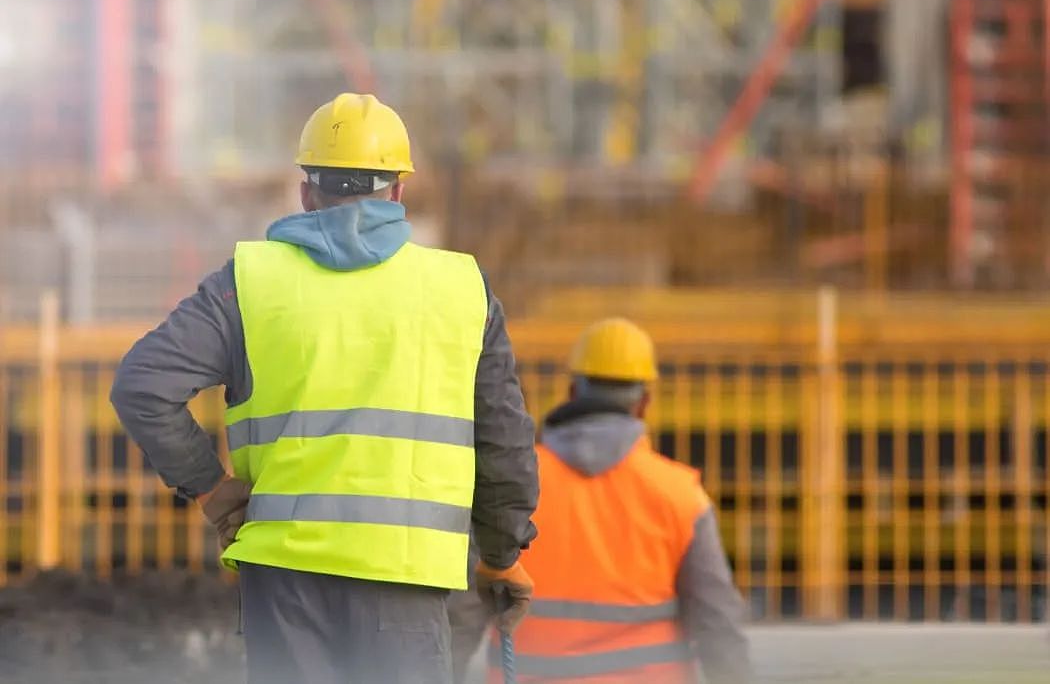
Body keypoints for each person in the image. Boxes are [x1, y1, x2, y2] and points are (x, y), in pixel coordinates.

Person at [110, 93, 538, 684]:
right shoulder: (460, 290)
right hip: (405, 583)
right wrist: (501, 557)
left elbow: (142, 385)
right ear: (398, 191)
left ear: (307, 191)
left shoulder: (249, 284)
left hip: (284, 587)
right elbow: (503, 440)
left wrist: (212, 490)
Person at [451, 317, 751, 683]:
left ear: (573, 391)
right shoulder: (680, 496)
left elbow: (460, 618)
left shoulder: (511, 490)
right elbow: (717, 626)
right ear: (645, 401)